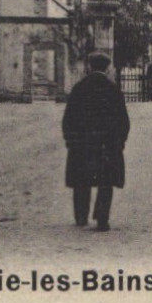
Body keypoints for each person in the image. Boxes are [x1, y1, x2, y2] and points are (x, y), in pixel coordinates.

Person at [62, 52, 131, 232]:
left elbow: (68, 118)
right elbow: (123, 121)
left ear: (90, 67)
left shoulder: (79, 88)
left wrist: (70, 139)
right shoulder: (113, 89)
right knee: (105, 181)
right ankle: (102, 218)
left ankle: (81, 216)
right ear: (107, 68)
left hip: (83, 144)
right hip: (107, 144)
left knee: (81, 180)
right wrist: (120, 142)